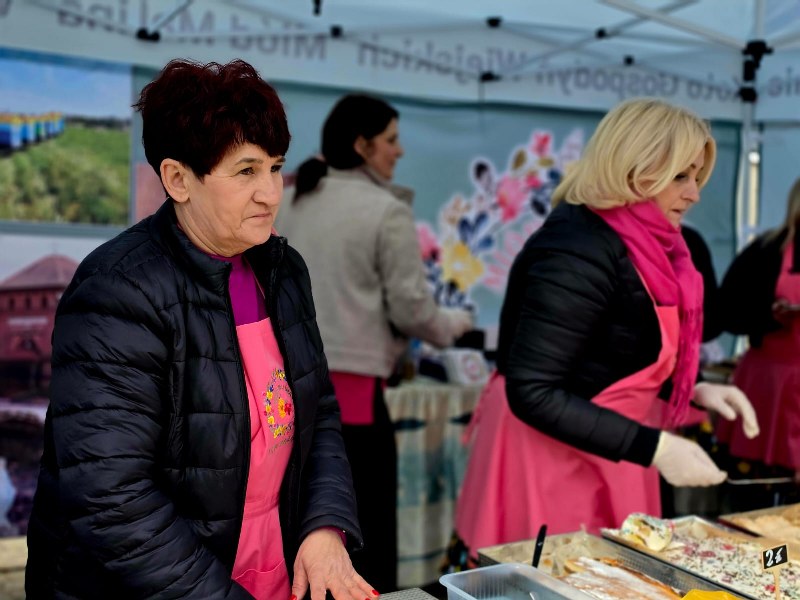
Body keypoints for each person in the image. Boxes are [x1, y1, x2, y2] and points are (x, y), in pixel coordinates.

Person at [25, 59, 377, 600]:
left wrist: (324, 526)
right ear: (177, 179)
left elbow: (318, 411)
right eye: (246, 171)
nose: (270, 192)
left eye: (274, 167)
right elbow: (112, 497)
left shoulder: (282, 271)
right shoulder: (119, 289)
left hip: (266, 565)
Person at [451, 98, 760, 564]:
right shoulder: (576, 248)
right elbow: (534, 390)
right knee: (553, 578)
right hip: (550, 451)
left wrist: (693, 388)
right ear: (634, 171)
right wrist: (655, 447)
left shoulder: (651, 244)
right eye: (680, 176)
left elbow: (619, 347)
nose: (695, 193)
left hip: (610, 440)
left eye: (697, 176)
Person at [276, 94, 473, 591]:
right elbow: (413, 311)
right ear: (362, 146)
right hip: (354, 400)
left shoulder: (290, 198)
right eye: (391, 140)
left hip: (283, 388)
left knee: (299, 522)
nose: (400, 151)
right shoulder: (385, 211)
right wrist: (456, 323)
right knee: (362, 530)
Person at [716, 177, 800, 492]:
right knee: (759, 489)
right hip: (768, 383)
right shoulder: (766, 251)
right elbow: (725, 311)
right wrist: (770, 315)